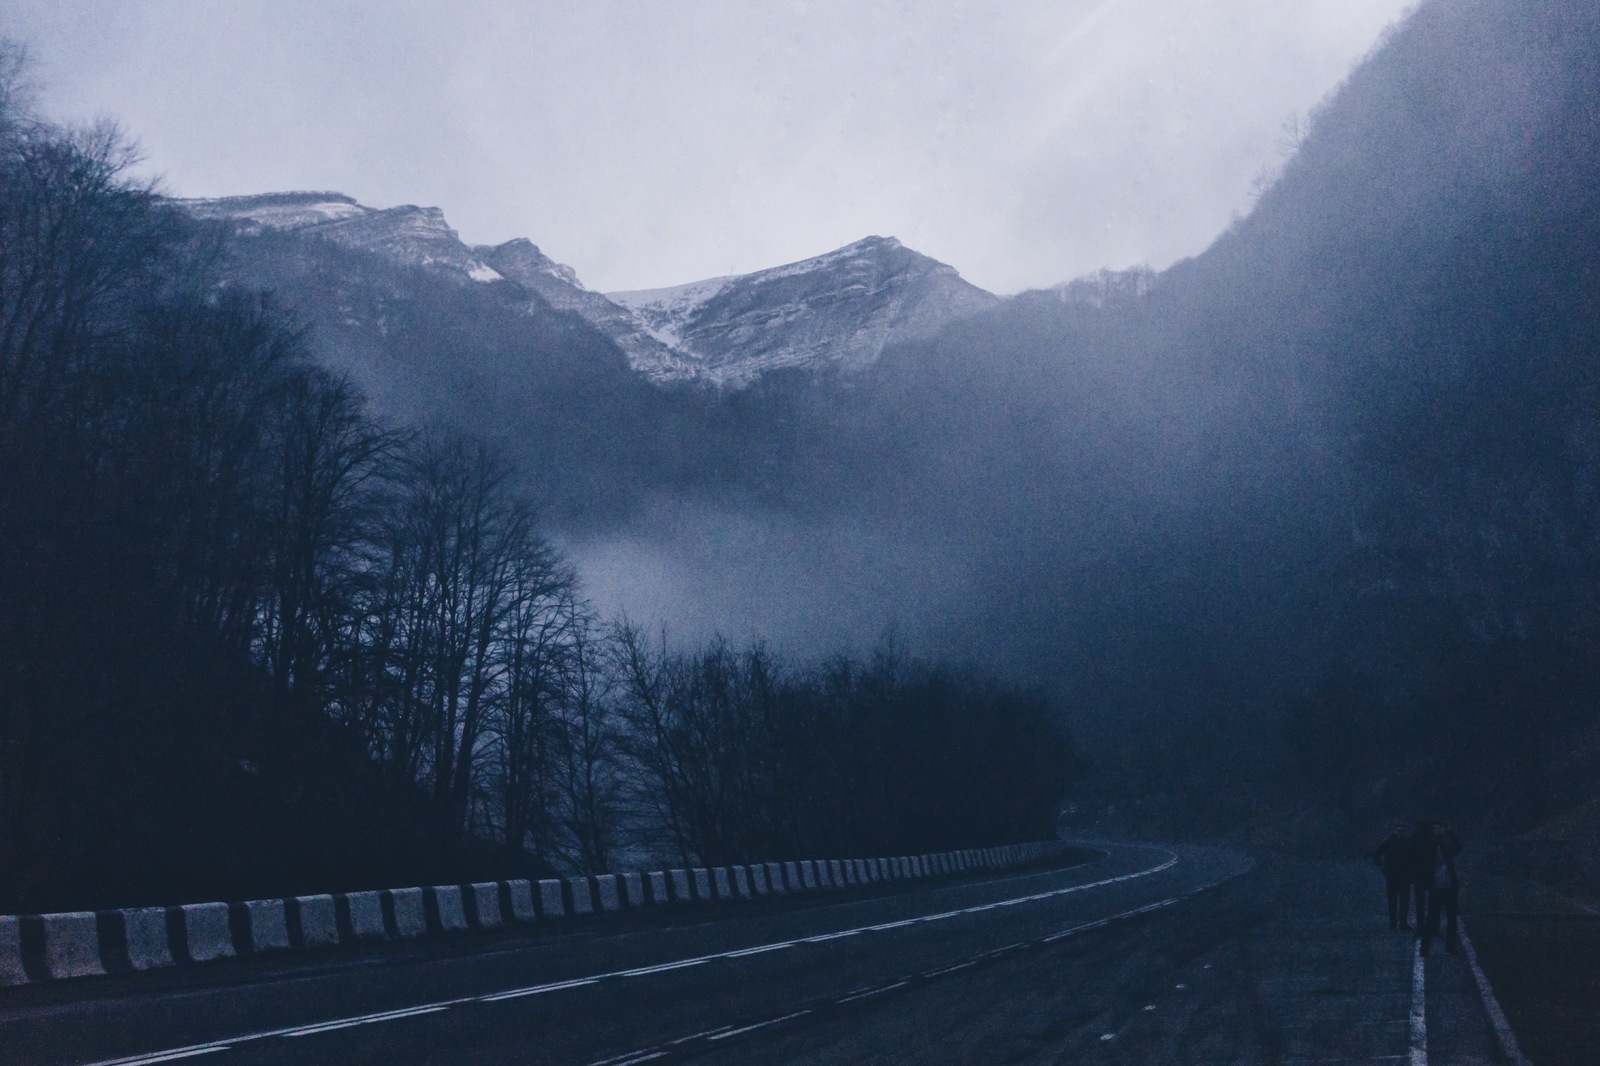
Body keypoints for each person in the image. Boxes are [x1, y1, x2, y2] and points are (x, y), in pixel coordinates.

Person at [1418, 820, 1461, 956]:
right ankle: (1424, 948)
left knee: (1452, 918)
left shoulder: (1445, 845)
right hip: (1435, 887)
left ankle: (1450, 946)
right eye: (1435, 828)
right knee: (1431, 918)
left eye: (1440, 828)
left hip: (1449, 887)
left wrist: (1450, 835)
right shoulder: (1430, 844)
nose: (1438, 830)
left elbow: (1458, 848)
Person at [1372, 824, 1413, 930]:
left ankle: (1402, 923)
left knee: (1403, 900)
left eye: (1402, 831)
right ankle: (1394, 924)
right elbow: (1376, 853)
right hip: (1393, 875)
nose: (1400, 833)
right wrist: (1382, 867)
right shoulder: (1390, 842)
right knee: (1393, 900)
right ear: (1395, 831)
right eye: (1399, 831)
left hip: (1403, 875)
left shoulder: (1407, 843)